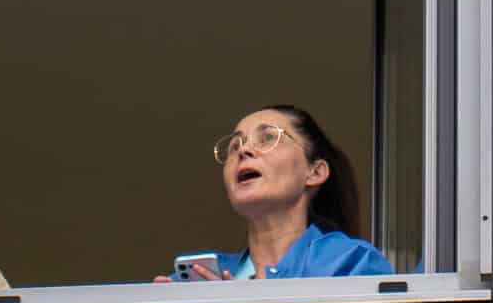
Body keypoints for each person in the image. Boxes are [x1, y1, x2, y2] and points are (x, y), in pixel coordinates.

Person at [168, 105, 393, 280]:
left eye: (268, 138)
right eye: (234, 146)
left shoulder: (350, 262)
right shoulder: (200, 278)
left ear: (315, 172)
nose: (243, 150)